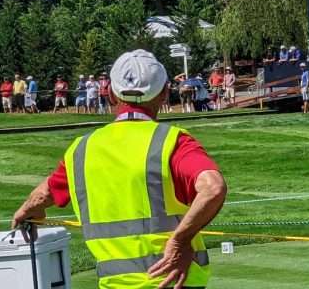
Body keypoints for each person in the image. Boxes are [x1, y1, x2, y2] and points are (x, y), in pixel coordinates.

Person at [11, 50, 227, 289]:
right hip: (173, 281)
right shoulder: (172, 141)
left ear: (111, 94)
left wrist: (26, 210)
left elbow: (46, 193)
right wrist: (180, 240)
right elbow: (212, 187)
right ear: (165, 93)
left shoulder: (81, 149)